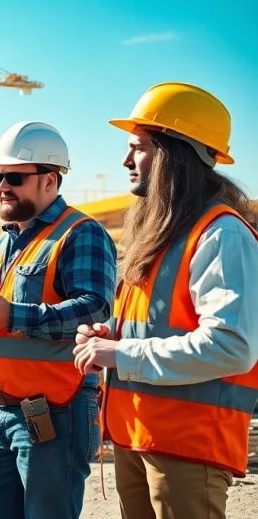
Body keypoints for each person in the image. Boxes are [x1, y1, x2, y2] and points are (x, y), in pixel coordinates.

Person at [73, 83, 258, 519]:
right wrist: (111, 336)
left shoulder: (221, 234)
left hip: (187, 445)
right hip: (137, 434)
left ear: (173, 153)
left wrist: (121, 352)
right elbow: (158, 326)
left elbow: (232, 346)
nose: (125, 160)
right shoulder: (164, 234)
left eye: (138, 147)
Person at [0, 122, 118, 519]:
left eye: (15, 177)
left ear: (50, 180)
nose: (2, 186)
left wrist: (12, 314)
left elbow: (94, 307)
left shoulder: (81, 233)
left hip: (54, 411)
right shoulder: (1, 247)